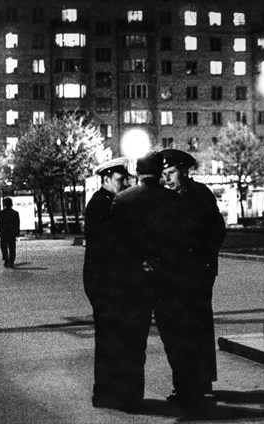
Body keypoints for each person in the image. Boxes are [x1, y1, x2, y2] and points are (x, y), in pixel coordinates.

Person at [94, 152, 194, 411]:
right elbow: (183, 241)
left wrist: (138, 263)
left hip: (134, 282)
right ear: (159, 173)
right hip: (167, 280)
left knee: (133, 341)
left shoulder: (123, 199)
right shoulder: (175, 200)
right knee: (175, 338)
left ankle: (131, 396)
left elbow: (114, 242)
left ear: (138, 173)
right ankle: (186, 391)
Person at [161, 149, 227, 401]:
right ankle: (185, 383)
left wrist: (202, 256)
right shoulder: (165, 198)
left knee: (198, 327)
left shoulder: (201, 194)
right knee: (179, 330)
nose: (167, 178)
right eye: (164, 174)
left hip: (198, 273)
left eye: (171, 173)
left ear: (184, 171)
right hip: (174, 275)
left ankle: (201, 381)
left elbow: (216, 230)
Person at [82, 157, 131, 407]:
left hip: (103, 280)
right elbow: (107, 242)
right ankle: (104, 392)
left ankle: (107, 390)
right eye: (120, 180)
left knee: (110, 336)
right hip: (104, 282)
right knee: (108, 338)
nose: (124, 184)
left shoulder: (106, 201)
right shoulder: (102, 204)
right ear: (106, 180)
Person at [0, 198, 20, 268]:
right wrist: (17, 232)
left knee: (3, 247)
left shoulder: (2, 213)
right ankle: (11, 261)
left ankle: (6, 260)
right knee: (12, 247)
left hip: (4, 232)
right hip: (12, 233)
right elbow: (17, 223)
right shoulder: (15, 213)